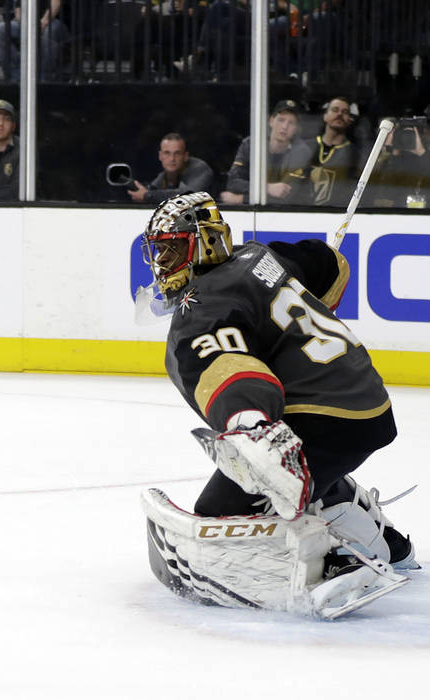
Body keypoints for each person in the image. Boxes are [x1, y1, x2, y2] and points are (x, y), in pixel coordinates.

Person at [138, 191, 417, 616]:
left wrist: (252, 425)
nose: (163, 265)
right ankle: (382, 538)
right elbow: (327, 264)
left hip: (322, 416)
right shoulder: (259, 257)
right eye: (159, 253)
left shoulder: (202, 307)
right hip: (366, 403)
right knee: (297, 477)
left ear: (206, 242)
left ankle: (336, 564)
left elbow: (229, 368)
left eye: (174, 249)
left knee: (224, 514)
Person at [221, 99, 312, 205]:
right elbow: (232, 182)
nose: (284, 127)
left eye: (291, 123)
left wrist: (240, 199)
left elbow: (288, 197)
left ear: (296, 128)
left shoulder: (301, 152)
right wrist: (267, 188)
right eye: (281, 120)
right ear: (271, 121)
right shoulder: (251, 144)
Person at [127, 132, 215, 204]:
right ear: (160, 156)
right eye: (167, 153)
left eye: (177, 153)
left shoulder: (201, 169)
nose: (172, 159)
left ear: (186, 156)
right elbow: (152, 190)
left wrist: (147, 196)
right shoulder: (163, 175)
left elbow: (188, 197)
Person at [0, 0, 69, 82]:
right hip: (29, 23)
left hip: (53, 21)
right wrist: (28, 24)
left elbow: (56, 3)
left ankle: (43, 78)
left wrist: (44, 21)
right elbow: (18, 11)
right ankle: (15, 77)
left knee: (49, 31)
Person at [368, 112, 430, 208]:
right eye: (390, 132)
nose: (405, 137)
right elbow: (378, 187)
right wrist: (390, 152)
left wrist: (422, 152)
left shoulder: (420, 161)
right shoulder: (373, 159)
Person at [307, 96, 358, 208]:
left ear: (349, 120)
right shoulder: (305, 147)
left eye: (345, 112)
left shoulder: (355, 155)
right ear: (325, 116)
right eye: (335, 110)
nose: (339, 114)